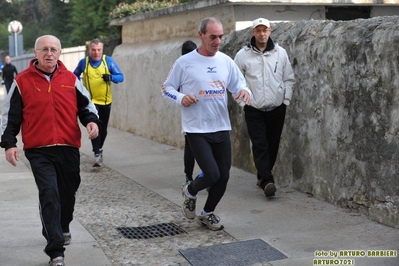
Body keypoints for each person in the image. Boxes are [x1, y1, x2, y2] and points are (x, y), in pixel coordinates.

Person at [0, 35, 100, 266]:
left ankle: (63, 225)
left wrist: (91, 121)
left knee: (68, 192)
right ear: (35, 53)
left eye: (54, 49)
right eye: (44, 49)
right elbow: (10, 118)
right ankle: (56, 250)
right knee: (49, 195)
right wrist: (10, 144)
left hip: (68, 147)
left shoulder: (70, 79)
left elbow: (86, 106)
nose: (49, 53)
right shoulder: (22, 81)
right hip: (39, 150)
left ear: (59, 52)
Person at [162, 17, 252, 231]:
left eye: (221, 36)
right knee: (212, 174)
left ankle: (206, 213)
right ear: (201, 35)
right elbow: (167, 88)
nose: (218, 41)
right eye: (213, 37)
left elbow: (240, 85)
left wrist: (244, 93)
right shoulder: (184, 63)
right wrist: (181, 98)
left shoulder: (225, 61)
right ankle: (191, 190)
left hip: (221, 126)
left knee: (224, 176)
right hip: (196, 129)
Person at [234, 18, 295, 198]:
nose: (262, 34)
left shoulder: (280, 53)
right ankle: (268, 181)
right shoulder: (242, 55)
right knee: (260, 144)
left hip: (277, 107)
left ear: (270, 31)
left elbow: (288, 78)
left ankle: (262, 176)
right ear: (253, 32)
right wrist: (243, 103)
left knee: (272, 145)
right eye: (258, 30)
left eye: (265, 30)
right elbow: (235, 82)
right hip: (254, 108)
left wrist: (286, 101)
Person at [73, 38, 124, 167]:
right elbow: (73, 77)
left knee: (103, 128)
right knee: (94, 125)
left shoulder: (108, 61)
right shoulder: (84, 63)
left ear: (102, 50)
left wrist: (111, 77)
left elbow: (120, 77)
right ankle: (97, 153)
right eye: (94, 50)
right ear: (90, 50)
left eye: (99, 50)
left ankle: (99, 149)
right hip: (90, 102)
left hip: (105, 101)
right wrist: (79, 88)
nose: (96, 53)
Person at [180, 40, 198, 185]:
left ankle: (190, 176)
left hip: (201, 113)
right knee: (192, 146)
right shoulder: (181, 67)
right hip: (191, 114)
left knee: (193, 147)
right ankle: (189, 176)